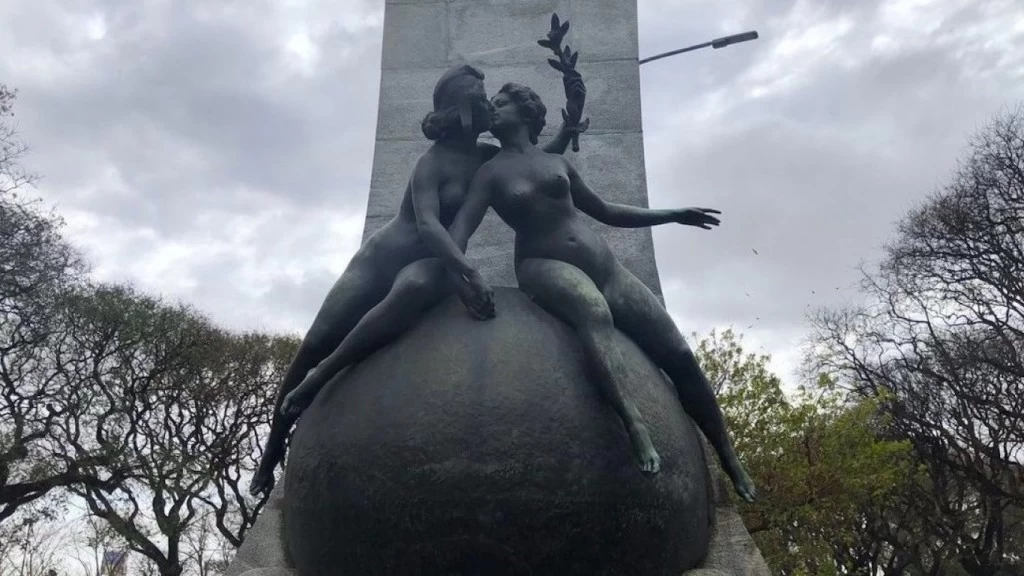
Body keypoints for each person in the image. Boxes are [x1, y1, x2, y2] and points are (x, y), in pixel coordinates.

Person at [249, 66, 585, 496]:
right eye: (480, 95)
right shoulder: (430, 162)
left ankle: (321, 379)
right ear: (462, 107)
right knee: (314, 343)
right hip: (377, 262)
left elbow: (535, 164)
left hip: (431, 263)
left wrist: (569, 124)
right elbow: (428, 225)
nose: (488, 102)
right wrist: (469, 270)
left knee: (411, 290)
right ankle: (272, 451)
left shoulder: (487, 158)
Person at [442, 82, 756, 501]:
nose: (492, 110)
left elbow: (605, 210)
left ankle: (728, 455)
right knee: (594, 312)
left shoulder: (555, 161)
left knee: (679, 353)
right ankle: (635, 423)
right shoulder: (490, 173)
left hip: (605, 266)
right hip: (541, 265)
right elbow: (460, 232)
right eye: (492, 105)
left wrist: (673, 214)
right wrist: (462, 276)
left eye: (501, 104)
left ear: (525, 112)